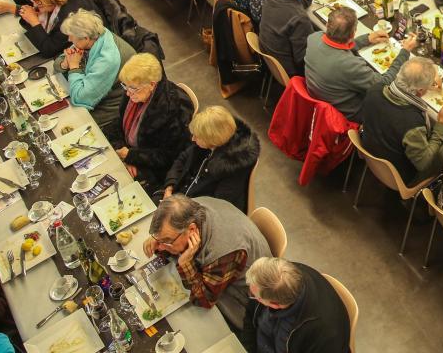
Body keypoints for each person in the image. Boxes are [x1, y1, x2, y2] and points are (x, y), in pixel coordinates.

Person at [145, 194, 269, 331]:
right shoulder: (187, 209)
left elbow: (203, 300)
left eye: (167, 240)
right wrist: (158, 240)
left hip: (245, 298)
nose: (161, 246)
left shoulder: (224, 251)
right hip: (219, 271)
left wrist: (185, 264)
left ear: (191, 229)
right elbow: (170, 243)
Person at [305, 6, 416, 121]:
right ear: (353, 34)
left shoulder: (313, 38)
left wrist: (367, 39)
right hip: (350, 114)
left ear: (327, 25)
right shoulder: (350, 65)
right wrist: (405, 52)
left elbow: (336, 48)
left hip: (322, 102)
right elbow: (384, 83)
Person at [106, 53, 194, 192]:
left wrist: (131, 156)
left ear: (152, 85)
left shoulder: (172, 109)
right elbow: (118, 123)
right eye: (125, 87)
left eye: (132, 88)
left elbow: (169, 156)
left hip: (155, 168)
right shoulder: (135, 91)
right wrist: (124, 153)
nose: (127, 93)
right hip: (130, 153)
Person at [360, 56, 443, 183]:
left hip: (372, 151)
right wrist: (442, 124)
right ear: (420, 91)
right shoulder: (412, 124)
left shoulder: (375, 90)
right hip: (400, 175)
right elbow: (424, 164)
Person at [245, 257, 352, 353]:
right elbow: (249, 319)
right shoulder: (281, 275)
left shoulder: (325, 335)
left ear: (275, 305)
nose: (251, 296)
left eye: (254, 296)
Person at [164, 107, 261, 211]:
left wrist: (180, 207)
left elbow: (216, 206)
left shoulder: (232, 168)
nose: (193, 139)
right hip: (181, 197)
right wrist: (170, 186)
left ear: (212, 140)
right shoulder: (206, 145)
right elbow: (182, 159)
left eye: (197, 136)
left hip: (198, 212)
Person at [59, 8, 130, 131]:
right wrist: (65, 64)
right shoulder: (95, 34)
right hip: (95, 91)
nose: (69, 40)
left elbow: (80, 99)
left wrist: (74, 66)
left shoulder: (107, 59)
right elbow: (57, 64)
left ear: (85, 38)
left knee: (66, 125)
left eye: (71, 36)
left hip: (111, 106)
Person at [18, 0, 99, 58]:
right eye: (34, 1)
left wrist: (34, 22)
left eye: (38, 1)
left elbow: (49, 51)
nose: (35, 5)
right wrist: (32, 17)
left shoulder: (70, 17)